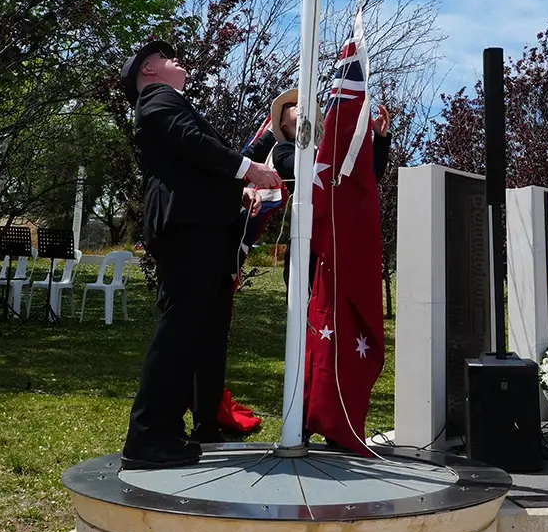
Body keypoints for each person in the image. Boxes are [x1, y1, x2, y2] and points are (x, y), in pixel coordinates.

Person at [119, 40, 282, 468]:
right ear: (148, 72)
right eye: (164, 57)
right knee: (179, 330)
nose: (175, 60)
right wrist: (251, 169)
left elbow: (194, 164)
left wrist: (237, 189)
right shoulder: (156, 100)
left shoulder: (168, 100)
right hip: (187, 227)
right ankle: (148, 437)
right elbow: (190, 141)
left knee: (193, 333)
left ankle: (167, 431)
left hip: (202, 226)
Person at [244, 87, 391, 283]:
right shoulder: (283, 150)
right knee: (305, 307)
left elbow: (365, 180)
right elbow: (301, 168)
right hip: (307, 244)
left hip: (339, 242)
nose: (300, 107)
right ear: (282, 123)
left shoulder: (327, 153)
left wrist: (380, 140)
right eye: (293, 106)